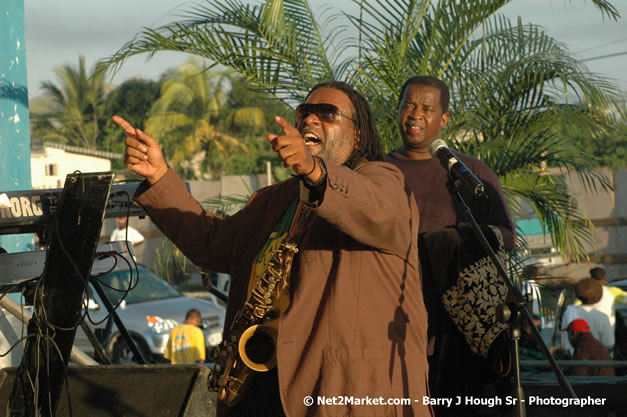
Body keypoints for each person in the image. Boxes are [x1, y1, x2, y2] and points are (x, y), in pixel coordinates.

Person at [113, 80, 431, 417]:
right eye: (304, 112)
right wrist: (160, 177)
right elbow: (213, 244)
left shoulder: (383, 179)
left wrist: (314, 170)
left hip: (339, 392)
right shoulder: (275, 200)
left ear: (359, 136)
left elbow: (380, 211)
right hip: (261, 384)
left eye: (327, 113)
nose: (310, 119)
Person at [385, 75, 516, 416]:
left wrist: (463, 239)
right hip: (391, 326)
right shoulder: (378, 172)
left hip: (457, 334)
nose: (415, 114)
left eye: (426, 108)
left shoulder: (471, 172)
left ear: (443, 119)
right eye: (408, 105)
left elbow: (508, 236)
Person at [561, 278, 614, 355]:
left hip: (572, 359)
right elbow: (609, 344)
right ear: (600, 295)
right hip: (596, 361)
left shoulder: (569, 311)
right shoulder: (602, 317)